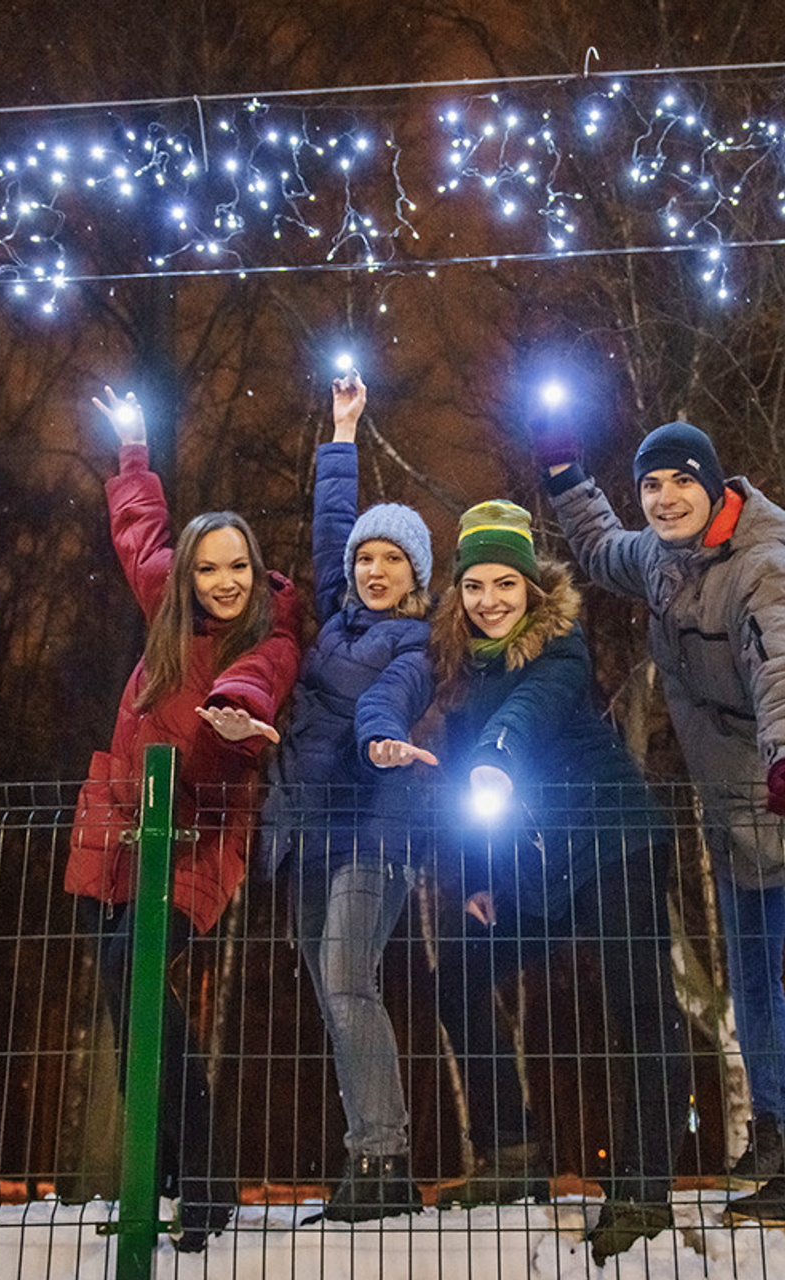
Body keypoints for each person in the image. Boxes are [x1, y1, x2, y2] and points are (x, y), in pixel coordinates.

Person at [538, 416, 785, 1227]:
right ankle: (780, 1139)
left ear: (714, 485)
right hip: (732, 800)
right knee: (751, 980)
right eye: (650, 485)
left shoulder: (762, 565)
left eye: (681, 480)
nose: (664, 498)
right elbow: (600, 548)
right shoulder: (659, 557)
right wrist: (564, 473)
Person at [67, 385, 301, 1252]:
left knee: (143, 995)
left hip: (196, 835)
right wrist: (135, 452)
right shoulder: (169, 603)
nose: (225, 582)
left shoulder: (269, 633)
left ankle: (202, 1184)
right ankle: (157, 1181)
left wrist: (239, 716)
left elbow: (259, 679)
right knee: (129, 1011)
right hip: (117, 829)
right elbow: (139, 536)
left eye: (238, 565)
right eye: (210, 567)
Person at [430, 499, 688, 1265]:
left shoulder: (560, 645)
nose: (489, 600)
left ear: (531, 588)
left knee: (640, 1005)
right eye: (474, 586)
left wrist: (499, 751)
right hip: (541, 872)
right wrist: (480, 875)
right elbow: (464, 769)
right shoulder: (460, 669)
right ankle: (510, 1153)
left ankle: (643, 1190)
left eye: (505, 583)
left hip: (615, 845)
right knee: (459, 978)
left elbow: (530, 710)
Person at [260, 371, 437, 1222]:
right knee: (335, 989)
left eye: (391, 560)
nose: (372, 569)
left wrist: (378, 741)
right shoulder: (335, 617)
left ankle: (383, 1159)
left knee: (347, 975)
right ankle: (373, 1149)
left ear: (415, 578)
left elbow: (384, 700)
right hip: (308, 824)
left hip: (376, 828)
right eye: (365, 557)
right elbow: (334, 520)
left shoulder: (412, 644)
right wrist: (341, 434)